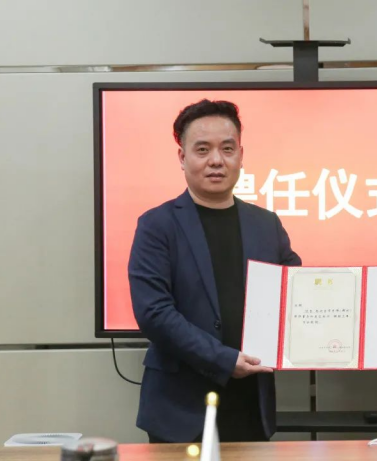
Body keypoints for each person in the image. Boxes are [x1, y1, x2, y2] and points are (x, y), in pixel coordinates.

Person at [128, 99, 301, 443]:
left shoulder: (266, 224)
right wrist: (223, 360)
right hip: (179, 410)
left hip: (250, 403)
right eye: (203, 149)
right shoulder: (157, 225)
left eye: (227, 148)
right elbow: (154, 313)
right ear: (182, 157)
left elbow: (297, 293)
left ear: (241, 155)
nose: (216, 160)